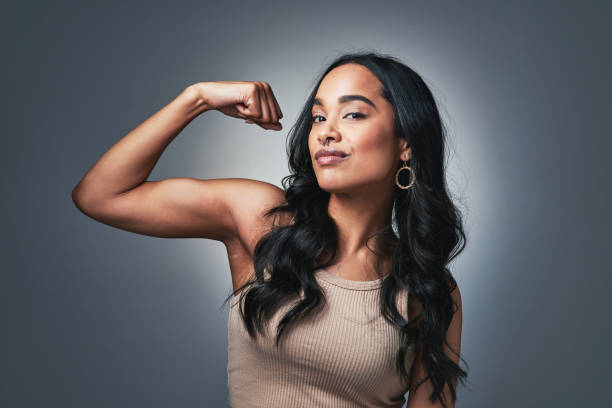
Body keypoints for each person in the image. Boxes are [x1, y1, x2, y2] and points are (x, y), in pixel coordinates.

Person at [72, 51, 468, 408]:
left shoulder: (428, 288)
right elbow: (101, 196)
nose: (327, 131)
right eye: (318, 116)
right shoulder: (263, 220)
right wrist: (197, 98)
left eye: (352, 114)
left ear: (406, 144)